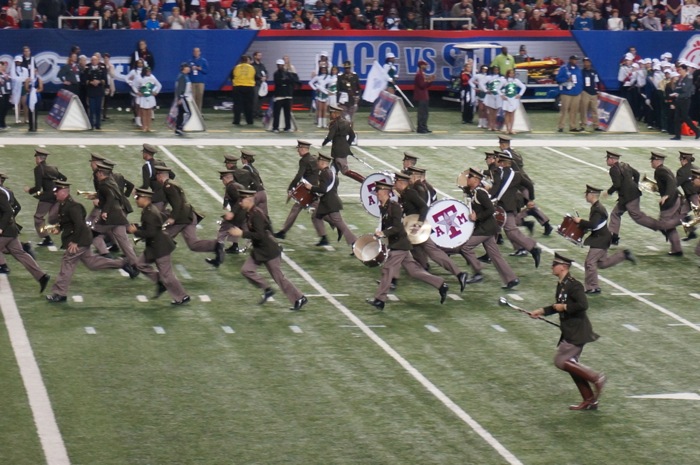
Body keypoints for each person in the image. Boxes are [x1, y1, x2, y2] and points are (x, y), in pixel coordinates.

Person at [529, 253, 606, 411]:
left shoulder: (574, 285)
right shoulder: (562, 284)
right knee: (571, 366)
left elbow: (583, 305)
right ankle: (589, 400)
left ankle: (596, 377)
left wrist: (564, 307)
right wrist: (541, 311)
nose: (552, 266)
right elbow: (558, 305)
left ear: (563, 267)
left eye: (554, 264)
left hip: (577, 330)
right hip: (571, 330)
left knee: (561, 361)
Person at [45, 180, 137, 303]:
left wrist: (75, 242)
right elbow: (67, 222)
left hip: (79, 240)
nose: (55, 194)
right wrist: (59, 228)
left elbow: (79, 225)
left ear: (64, 192)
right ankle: (122, 263)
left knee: (67, 262)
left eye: (57, 191)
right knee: (92, 264)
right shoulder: (64, 205)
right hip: (81, 239)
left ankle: (60, 293)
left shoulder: (74, 207)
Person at [366, 181, 449, 311]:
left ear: (383, 192)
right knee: (413, 271)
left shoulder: (394, 207)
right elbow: (386, 224)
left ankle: (380, 300)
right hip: (397, 244)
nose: (376, 194)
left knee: (388, 269)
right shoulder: (384, 206)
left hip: (400, 244)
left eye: (377, 191)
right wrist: (380, 235)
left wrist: (383, 233)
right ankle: (440, 284)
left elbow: (398, 227)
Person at [228, 189, 308, 311]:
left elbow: (260, 234)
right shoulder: (250, 212)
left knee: (279, 278)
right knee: (246, 270)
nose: (240, 203)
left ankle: (299, 297)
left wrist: (242, 233)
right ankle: (267, 289)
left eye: (242, 200)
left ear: (249, 200)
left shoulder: (256, 215)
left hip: (269, 251)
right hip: (259, 250)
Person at [393, 171, 469, 291]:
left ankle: (392, 280)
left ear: (401, 182)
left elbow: (424, 206)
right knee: (419, 253)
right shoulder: (404, 194)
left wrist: (419, 223)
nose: (394, 184)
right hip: (411, 229)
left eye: (395, 181)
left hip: (417, 228)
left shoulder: (410, 193)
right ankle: (428, 273)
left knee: (426, 252)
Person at [457, 168, 519, 288]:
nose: (467, 179)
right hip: (488, 228)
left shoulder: (480, 193)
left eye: (469, 177)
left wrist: (477, 216)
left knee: (465, 247)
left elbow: (491, 209)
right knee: (495, 255)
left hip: (486, 228)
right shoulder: (474, 191)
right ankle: (511, 279)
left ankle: (478, 272)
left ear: (475, 179)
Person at [127, 188, 190, 305]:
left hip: (160, 248)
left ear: (145, 198)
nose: (135, 200)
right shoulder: (148, 210)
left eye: (137, 198)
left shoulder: (150, 213)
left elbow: (151, 233)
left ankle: (183, 296)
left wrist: (136, 231)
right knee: (140, 264)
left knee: (167, 276)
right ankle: (160, 281)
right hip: (153, 247)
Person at [155, 166, 225, 267]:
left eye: (156, 175)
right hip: (190, 215)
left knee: (163, 237)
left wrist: (172, 218)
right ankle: (217, 245)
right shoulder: (172, 184)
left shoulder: (168, 187)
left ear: (160, 176)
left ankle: (155, 262)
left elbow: (178, 204)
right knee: (193, 244)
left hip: (182, 217)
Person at [573, 185, 636, 294]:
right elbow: (595, 225)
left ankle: (593, 287)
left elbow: (593, 224)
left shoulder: (598, 209)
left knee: (589, 262)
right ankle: (624, 255)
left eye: (586, 194)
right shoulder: (596, 207)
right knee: (602, 263)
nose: (585, 196)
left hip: (600, 239)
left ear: (591, 195)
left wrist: (580, 221)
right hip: (602, 238)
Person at [489, 152, 542, 268]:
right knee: (504, 231)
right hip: (509, 207)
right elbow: (529, 185)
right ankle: (532, 248)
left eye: (498, 161)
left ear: (502, 163)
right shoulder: (517, 175)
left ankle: (533, 248)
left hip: (501, 207)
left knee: (509, 231)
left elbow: (496, 188)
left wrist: (488, 196)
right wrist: (530, 200)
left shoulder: (498, 172)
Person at [0, 172, 50, 291]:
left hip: (5, 231)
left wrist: (1, 227)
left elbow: (8, 211)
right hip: (11, 230)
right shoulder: (6, 192)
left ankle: (3, 266)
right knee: (20, 254)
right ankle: (41, 276)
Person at [274, 140, 326, 242]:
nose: (298, 151)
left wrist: (290, 187)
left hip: (307, 190)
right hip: (315, 189)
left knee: (298, 209)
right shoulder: (314, 158)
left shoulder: (304, 160)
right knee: (316, 213)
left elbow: (299, 175)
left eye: (298, 149)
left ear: (303, 149)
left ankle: (283, 232)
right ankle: (324, 237)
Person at [303, 152, 356, 248]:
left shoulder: (324, 174)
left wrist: (311, 187)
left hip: (330, 204)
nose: (317, 163)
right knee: (316, 217)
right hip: (327, 202)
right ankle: (324, 238)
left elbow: (323, 189)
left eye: (318, 161)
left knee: (341, 225)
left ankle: (355, 243)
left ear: (323, 162)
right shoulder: (331, 173)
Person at [24, 147, 67, 247]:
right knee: (54, 218)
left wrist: (29, 190)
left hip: (47, 197)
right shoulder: (52, 167)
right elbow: (63, 178)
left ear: (38, 158)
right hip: (57, 196)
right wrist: (56, 188)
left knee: (38, 218)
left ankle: (47, 238)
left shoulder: (38, 169)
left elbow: (38, 187)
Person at [322, 105, 364, 183]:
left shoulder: (335, 124)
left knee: (345, 171)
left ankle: (363, 180)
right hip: (343, 150)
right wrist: (347, 145)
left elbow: (330, 137)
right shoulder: (346, 123)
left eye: (331, 113)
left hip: (338, 151)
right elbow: (352, 135)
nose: (330, 115)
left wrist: (323, 143)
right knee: (333, 170)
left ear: (335, 114)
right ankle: (332, 185)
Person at [669, 64, 700, 141]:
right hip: (679, 99)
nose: (679, 71)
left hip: (685, 99)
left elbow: (685, 89)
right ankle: (677, 135)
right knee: (676, 118)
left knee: (685, 117)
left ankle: (696, 131)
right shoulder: (680, 78)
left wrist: (678, 92)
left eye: (680, 70)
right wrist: (675, 91)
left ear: (685, 70)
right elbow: (677, 87)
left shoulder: (688, 78)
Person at [556, 55, 583, 132]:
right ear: (570, 60)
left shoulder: (578, 69)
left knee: (574, 111)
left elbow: (580, 80)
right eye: (574, 60)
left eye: (576, 60)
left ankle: (573, 126)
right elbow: (558, 78)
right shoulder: (564, 68)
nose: (576, 61)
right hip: (566, 93)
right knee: (564, 110)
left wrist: (580, 89)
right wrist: (566, 79)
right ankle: (561, 126)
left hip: (576, 92)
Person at [271, 58, 299, 133]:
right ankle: (275, 127)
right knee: (277, 113)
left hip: (287, 95)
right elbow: (278, 82)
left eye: (281, 65)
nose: (280, 66)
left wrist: (286, 80)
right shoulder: (276, 74)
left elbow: (292, 80)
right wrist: (285, 81)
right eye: (278, 65)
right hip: (279, 96)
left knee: (287, 113)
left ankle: (287, 127)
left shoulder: (288, 73)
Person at [132, 66, 161, 133]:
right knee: (144, 112)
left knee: (149, 112)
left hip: (150, 97)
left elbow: (159, 85)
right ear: (145, 71)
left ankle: (149, 127)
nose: (149, 72)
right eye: (148, 71)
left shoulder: (152, 77)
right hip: (143, 97)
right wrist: (137, 92)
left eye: (150, 71)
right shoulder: (140, 78)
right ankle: (144, 126)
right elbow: (133, 85)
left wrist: (156, 92)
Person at [677, 152, 699, 240]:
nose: (680, 161)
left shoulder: (682, 171)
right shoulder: (696, 168)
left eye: (681, 159)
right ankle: (691, 232)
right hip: (690, 196)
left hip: (694, 196)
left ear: (684, 159)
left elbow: (675, 183)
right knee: (682, 213)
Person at [498, 68, 525, 135]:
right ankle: (507, 129)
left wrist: (520, 94)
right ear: (508, 74)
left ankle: (511, 129)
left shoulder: (516, 81)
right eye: (510, 73)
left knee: (512, 113)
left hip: (514, 99)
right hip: (507, 99)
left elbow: (523, 87)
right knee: (507, 113)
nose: (511, 74)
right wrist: (501, 95)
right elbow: (497, 88)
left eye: (513, 73)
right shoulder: (504, 81)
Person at [230, 55, 255, 126]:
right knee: (249, 105)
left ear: (240, 60)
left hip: (238, 87)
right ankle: (249, 121)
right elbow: (255, 76)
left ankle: (236, 121)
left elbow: (232, 76)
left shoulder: (236, 67)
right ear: (247, 60)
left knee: (237, 105)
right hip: (249, 88)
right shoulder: (252, 68)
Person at [580, 57, 603, 132]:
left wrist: (598, 91)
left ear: (590, 63)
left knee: (594, 110)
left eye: (587, 62)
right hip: (585, 92)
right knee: (584, 109)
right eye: (584, 62)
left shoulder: (594, 71)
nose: (586, 63)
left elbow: (598, 81)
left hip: (593, 93)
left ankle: (596, 125)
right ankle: (583, 125)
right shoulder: (581, 72)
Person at [84, 54, 106, 130]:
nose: (94, 61)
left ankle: (98, 124)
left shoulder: (102, 68)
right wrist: (90, 82)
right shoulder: (87, 69)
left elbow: (104, 79)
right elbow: (85, 79)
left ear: (98, 61)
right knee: (92, 109)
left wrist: (99, 82)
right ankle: (91, 124)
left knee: (98, 109)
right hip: (91, 91)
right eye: (92, 60)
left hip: (99, 91)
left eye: (95, 60)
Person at [414, 59, 434, 134]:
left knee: (425, 113)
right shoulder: (419, 74)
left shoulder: (422, 74)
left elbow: (425, 86)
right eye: (424, 65)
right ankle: (421, 128)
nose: (426, 66)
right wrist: (429, 80)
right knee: (422, 113)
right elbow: (422, 85)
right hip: (421, 96)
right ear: (421, 65)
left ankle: (424, 127)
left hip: (424, 96)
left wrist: (430, 81)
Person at [173, 62, 192, 136]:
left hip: (184, 97)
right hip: (183, 97)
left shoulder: (185, 76)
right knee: (188, 113)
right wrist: (179, 98)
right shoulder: (182, 77)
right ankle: (180, 127)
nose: (189, 68)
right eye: (187, 67)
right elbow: (179, 88)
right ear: (184, 68)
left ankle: (178, 128)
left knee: (181, 113)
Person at [188, 47, 208, 112]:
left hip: (200, 82)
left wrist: (200, 69)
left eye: (197, 51)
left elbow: (206, 71)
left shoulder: (203, 61)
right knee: (192, 98)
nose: (196, 53)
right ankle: (192, 112)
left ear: (200, 52)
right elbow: (186, 71)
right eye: (194, 51)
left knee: (199, 97)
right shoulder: (190, 61)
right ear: (193, 52)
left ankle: (199, 112)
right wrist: (191, 69)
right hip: (192, 82)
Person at [251, 51, 268, 119]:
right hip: (255, 84)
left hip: (262, 84)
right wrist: (260, 77)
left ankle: (259, 112)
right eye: (258, 55)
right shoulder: (252, 65)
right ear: (255, 56)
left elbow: (265, 72)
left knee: (261, 99)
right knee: (255, 99)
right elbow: (253, 74)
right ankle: (254, 113)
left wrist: (266, 77)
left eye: (261, 55)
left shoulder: (262, 65)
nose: (260, 57)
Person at [0, 61, 10, 131]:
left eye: (2, 66)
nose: (2, 67)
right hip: (1, 93)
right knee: (1, 109)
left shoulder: (5, 74)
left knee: (5, 109)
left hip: (6, 93)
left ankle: (3, 123)